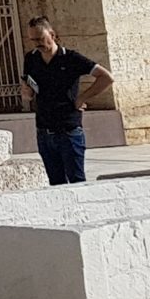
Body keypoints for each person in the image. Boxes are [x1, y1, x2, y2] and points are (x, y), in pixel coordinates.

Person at [20, 17, 111, 185]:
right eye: (33, 40)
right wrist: (27, 93)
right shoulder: (31, 58)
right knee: (56, 184)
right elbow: (29, 86)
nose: (37, 43)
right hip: (44, 131)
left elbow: (106, 77)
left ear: (52, 34)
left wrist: (83, 97)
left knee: (77, 182)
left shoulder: (70, 58)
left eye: (40, 38)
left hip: (68, 130)